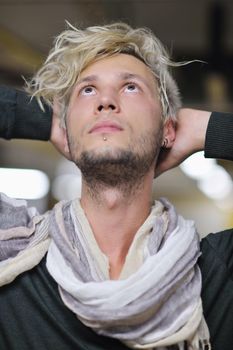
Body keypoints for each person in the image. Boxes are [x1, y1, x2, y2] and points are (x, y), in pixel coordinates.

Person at [0, 23, 233, 350]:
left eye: (131, 87)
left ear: (168, 129)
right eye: (88, 90)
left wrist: (207, 129)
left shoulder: (217, 273)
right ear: (66, 133)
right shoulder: (13, 259)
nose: (106, 100)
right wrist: (39, 120)